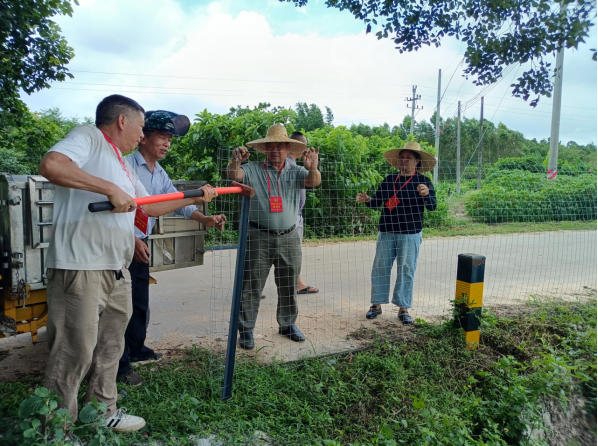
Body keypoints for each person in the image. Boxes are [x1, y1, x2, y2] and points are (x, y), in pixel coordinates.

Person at [38, 95, 218, 432]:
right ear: (123, 121)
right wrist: (108, 189)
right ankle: (55, 430)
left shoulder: (121, 163)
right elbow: (52, 165)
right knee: (73, 350)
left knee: (111, 345)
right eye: (141, 127)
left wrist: (196, 196)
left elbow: (148, 206)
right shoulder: (88, 137)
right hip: (81, 266)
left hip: (116, 268)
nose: (143, 134)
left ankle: (102, 411)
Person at [117, 110, 227, 386]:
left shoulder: (159, 172)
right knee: (120, 307)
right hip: (121, 244)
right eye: (161, 137)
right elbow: (118, 210)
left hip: (141, 242)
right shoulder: (126, 166)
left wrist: (204, 219)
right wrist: (132, 240)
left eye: (169, 139)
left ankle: (136, 348)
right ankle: (119, 365)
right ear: (143, 138)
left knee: (139, 301)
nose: (166, 143)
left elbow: (177, 203)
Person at [227, 124, 321, 350]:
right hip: (258, 236)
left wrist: (313, 168)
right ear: (265, 149)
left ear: (288, 149)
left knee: (289, 283)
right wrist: (235, 161)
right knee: (251, 285)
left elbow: (314, 181)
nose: (275, 150)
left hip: (289, 237)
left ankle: (287, 325)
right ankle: (246, 329)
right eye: (271, 146)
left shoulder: (296, 171)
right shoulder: (253, 168)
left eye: (280, 146)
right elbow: (234, 174)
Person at [355, 141, 437, 324]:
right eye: (402, 158)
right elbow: (376, 203)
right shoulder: (389, 180)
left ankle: (403, 308)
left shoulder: (423, 182)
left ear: (417, 162)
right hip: (386, 231)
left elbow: (432, 206)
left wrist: (426, 195)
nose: (404, 161)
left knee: (406, 269)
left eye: (409, 158)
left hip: (410, 233)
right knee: (380, 267)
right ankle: (376, 305)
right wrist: (367, 200)